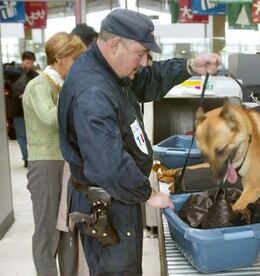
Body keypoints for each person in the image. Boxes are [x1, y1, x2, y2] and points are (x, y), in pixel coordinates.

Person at [58, 8, 220, 275]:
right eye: (141, 54)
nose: (145, 62)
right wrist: (148, 194)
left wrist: (189, 66)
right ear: (115, 44)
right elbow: (108, 164)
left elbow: (147, 81)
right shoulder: (93, 92)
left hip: (120, 196)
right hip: (108, 203)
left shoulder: (110, 71)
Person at [22, 32, 86, 276]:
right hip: (46, 165)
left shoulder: (59, 86)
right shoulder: (38, 85)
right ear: (60, 58)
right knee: (47, 230)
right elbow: (50, 119)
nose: (79, 64)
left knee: (67, 227)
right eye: (76, 58)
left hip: (65, 163)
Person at [8, 51, 38, 167]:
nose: (29, 65)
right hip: (18, 110)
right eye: (27, 62)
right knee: (21, 135)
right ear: (23, 60)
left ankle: (32, 157)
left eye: (31, 63)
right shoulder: (14, 72)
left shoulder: (34, 75)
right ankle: (26, 158)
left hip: (31, 110)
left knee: (32, 135)